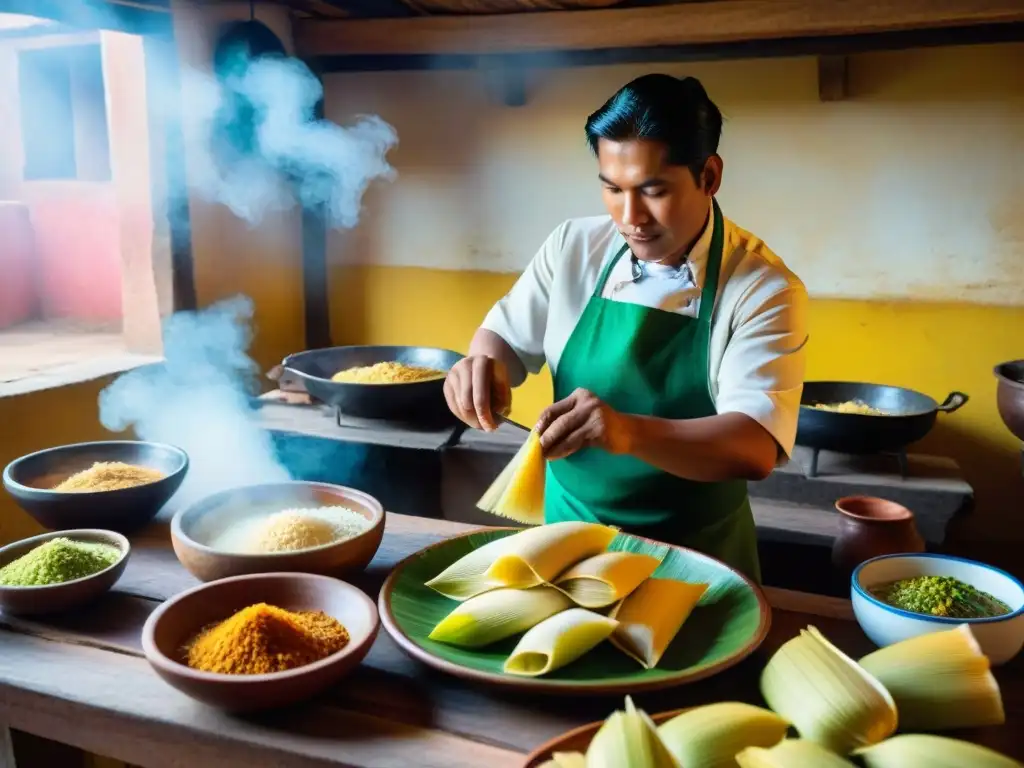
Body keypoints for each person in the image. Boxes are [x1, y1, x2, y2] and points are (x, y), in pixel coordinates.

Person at [443, 73, 808, 584]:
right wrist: (479, 367)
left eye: (653, 191)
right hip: (569, 539)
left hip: (691, 563)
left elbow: (753, 446)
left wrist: (625, 431)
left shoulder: (762, 288)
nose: (630, 217)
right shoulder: (574, 246)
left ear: (710, 176)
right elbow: (503, 339)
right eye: (612, 189)